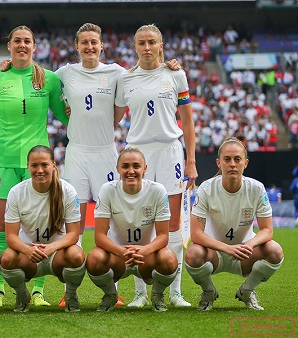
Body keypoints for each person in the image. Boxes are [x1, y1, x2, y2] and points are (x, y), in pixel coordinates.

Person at [0, 25, 69, 307]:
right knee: (2, 226)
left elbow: (66, 116)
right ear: (10, 45)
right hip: (3, 160)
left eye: (27, 41)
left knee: (42, 225)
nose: (22, 45)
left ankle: (38, 289)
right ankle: (0, 289)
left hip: (38, 163)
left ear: (34, 46)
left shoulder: (49, 79)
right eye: (17, 41)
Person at [114, 23, 195, 308]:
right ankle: (140, 293)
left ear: (161, 45)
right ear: (134, 47)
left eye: (151, 42)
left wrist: (191, 161)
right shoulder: (125, 79)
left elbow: (187, 121)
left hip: (170, 151)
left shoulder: (176, 74)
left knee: (172, 224)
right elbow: (112, 117)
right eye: (141, 43)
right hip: (138, 152)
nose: (146, 47)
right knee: (140, 224)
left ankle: (174, 291)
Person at [185, 138, 284, 311]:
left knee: (275, 251)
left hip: (245, 253)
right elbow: (196, 234)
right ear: (218, 163)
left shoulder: (256, 189)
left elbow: (267, 230)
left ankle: (247, 291)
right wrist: (226, 248)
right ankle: (208, 292)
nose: (232, 164)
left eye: (237, 159)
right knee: (193, 254)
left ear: (245, 163)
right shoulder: (206, 189)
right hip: (214, 253)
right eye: (227, 159)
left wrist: (248, 245)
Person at [86, 147, 178, 312]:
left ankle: (157, 294)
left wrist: (145, 250)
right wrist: (122, 253)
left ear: (145, 168)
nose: (131, 171)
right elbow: (99, 236)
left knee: (169, 258)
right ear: (118, 169)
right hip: (118, 257)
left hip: (147, 257)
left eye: (136, 166)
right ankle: (110, 294)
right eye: (125, 166)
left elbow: (164, 236)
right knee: (94, 258)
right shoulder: (107, 190)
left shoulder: (157, 191)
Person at [0, 145, 85, 312]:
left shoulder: (67, 191)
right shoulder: (16, 192)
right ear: (28, 166)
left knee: (76, 254)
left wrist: (52, 247)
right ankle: (22, 295)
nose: (40, 170)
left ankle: (71, 295)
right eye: (34, 165)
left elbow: (74, 234)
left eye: (44, 165)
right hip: (29, 255)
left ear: (53, 165)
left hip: (58, 253)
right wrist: (27, 250)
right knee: (7, 257)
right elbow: (11, 236)